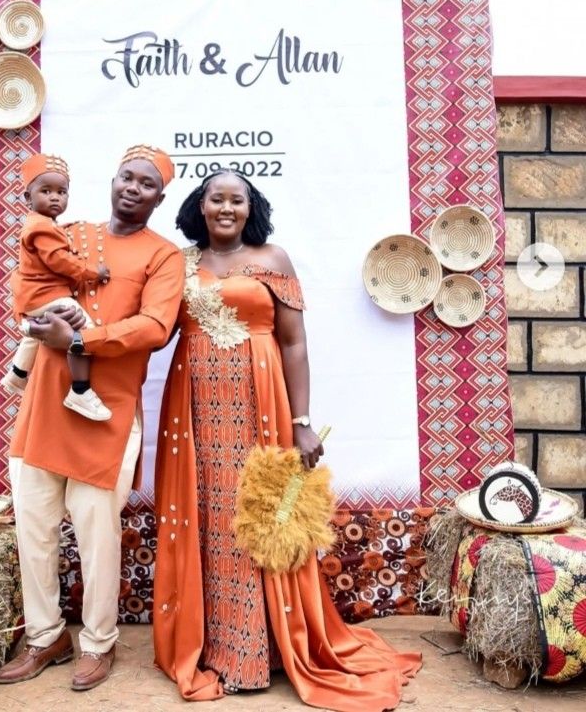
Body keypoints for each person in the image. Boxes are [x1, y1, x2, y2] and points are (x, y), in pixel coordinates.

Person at [153, 169, 421, 712]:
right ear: (198, 206)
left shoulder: (274, 258)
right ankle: (216, 647)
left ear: (251, 207)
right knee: (208, 517)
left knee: (262, 514)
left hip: (262, 403)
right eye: (216, 199)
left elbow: (294, 344)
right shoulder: (178, 264)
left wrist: (301, 420)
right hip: (194, 408)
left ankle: (265, 649)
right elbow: (150, 328)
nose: (226, 208)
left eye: (237, 200)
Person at [0, 145, 185, 693]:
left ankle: (98, 643)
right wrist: (39, 327)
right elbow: (27, 287)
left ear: (159, 198)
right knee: (34, 532)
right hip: (44, 410)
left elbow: (155, 327)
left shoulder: (163, 255)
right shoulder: (69, 234)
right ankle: (45, 635)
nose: (133, 188)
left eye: (146, 184)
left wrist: (81, 339)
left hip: (107, 413)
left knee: (99, 538)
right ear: (113, 180)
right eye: (127, 177)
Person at [0, 153, 112, 422]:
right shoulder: (42, 228)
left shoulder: (45, 224)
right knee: (85, 333)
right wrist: (93, 272)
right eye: (46, 191)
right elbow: (60, 261)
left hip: (35, 296)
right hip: (47, 295)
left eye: (62, 192)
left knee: (33, 337)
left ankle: (17, 374)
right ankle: (80, 390)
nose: (55, 197)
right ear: (28, 198)